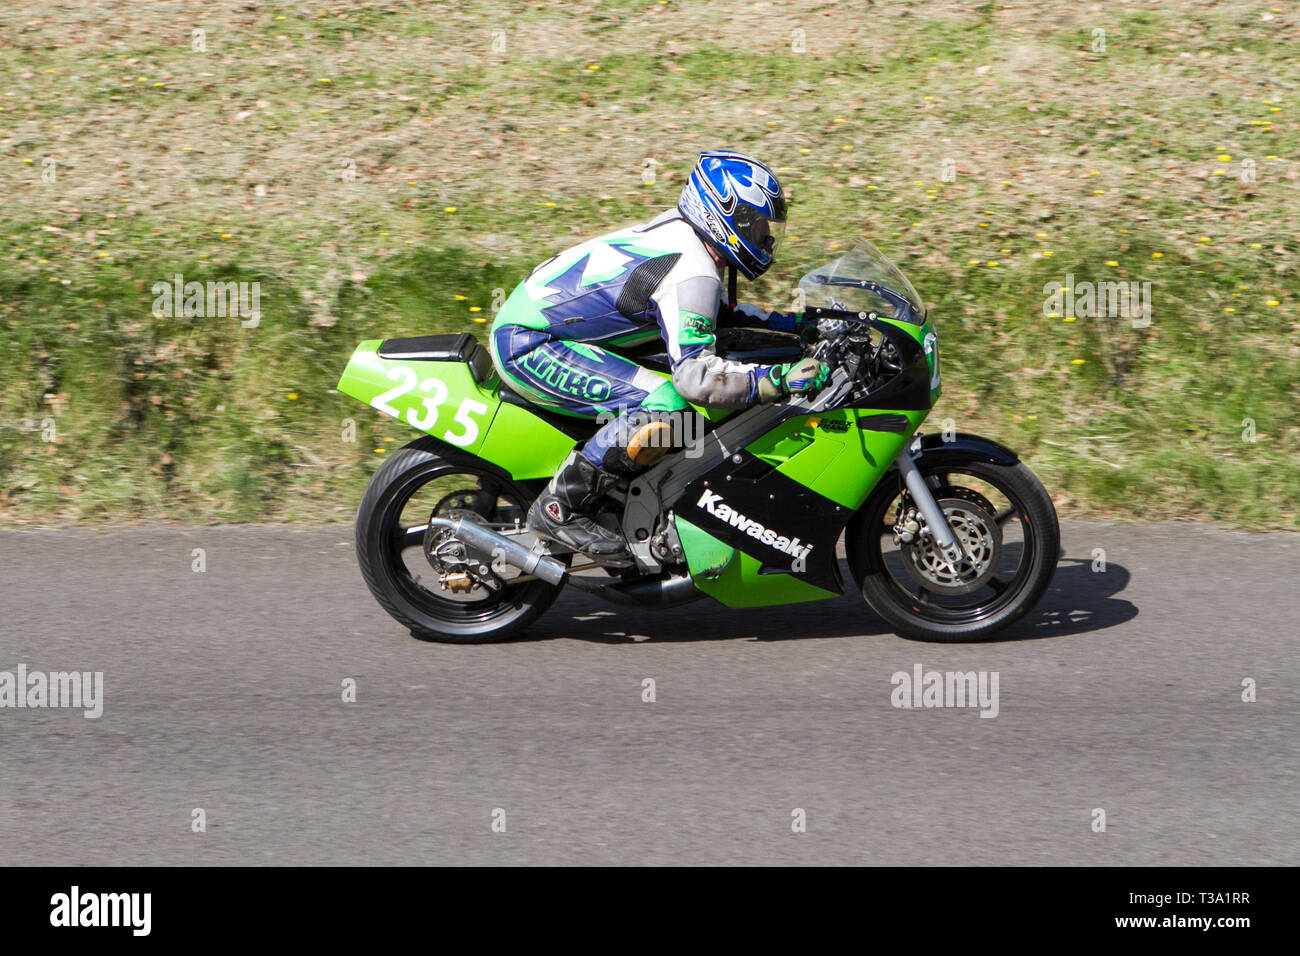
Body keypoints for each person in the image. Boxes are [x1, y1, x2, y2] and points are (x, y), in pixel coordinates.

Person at [488, 150, 829, 565]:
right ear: (729, 218)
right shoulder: (693, 267)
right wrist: (774, 380)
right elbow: (696, 379)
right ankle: (561, 510)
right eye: (757, 225)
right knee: (667, 406)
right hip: (530, 342)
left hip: (554, 328)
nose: (767, 237)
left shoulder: (688, 238)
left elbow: (715, 312)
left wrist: (796, 326)